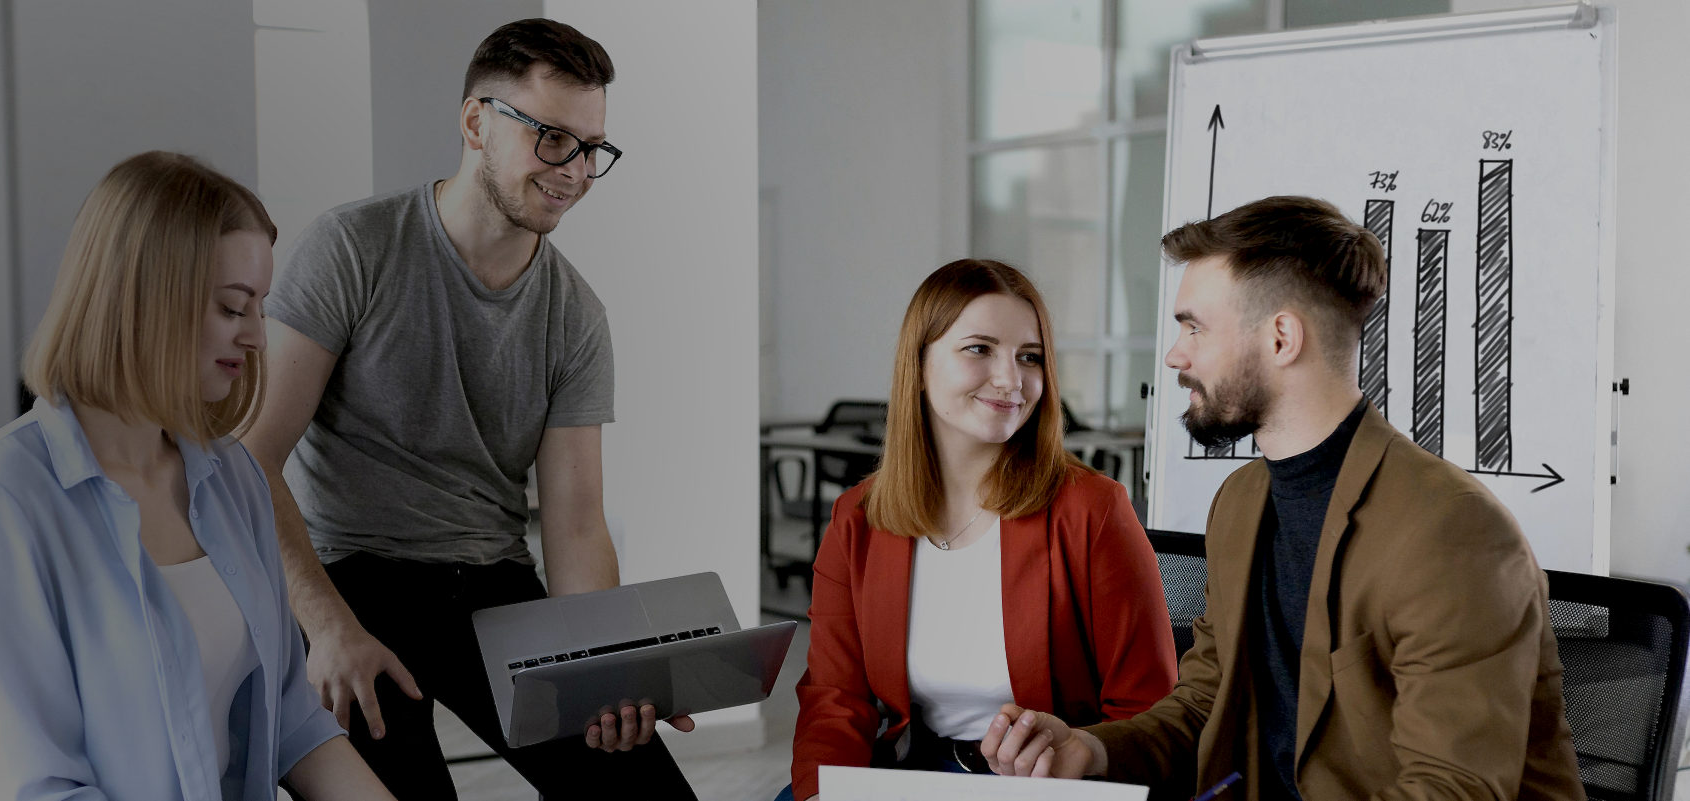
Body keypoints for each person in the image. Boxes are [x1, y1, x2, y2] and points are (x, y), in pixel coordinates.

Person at [978, 197, 1585, 799]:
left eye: (1195, 327)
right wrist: (1093, 749)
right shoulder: (1243, 501)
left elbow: (1453, 791)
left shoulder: (1450, 532)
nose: (1176, 355)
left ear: (1281, 337)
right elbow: (1206, 704)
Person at [240, 18, 696, 799]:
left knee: (644, 790)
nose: (576, 171)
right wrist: (326, 626)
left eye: (592, 148)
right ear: (476, 121)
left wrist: (606, 670)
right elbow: (249, 456)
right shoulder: (353, 248)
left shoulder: (575, 315)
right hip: (352, 578)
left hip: (491, 583)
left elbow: (577, 523)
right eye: (553, 137)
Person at [0, 151, 394, 801]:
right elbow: (28, 787)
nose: (258, 336)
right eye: (235, 308)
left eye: (261, 305)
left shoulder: (233, 477)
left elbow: (293, 720)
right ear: (144, 300)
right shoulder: (2, 496)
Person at [778, 260, 1179, 801]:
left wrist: (1081, 752)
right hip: (911, 773)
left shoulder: (1091, 510)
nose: (1011, 380)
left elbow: (1148, 710)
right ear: (918, 366)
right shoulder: (858, 519)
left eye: (1029, 357)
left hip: (1048, 786)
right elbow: (835, 699)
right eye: (979, 348)